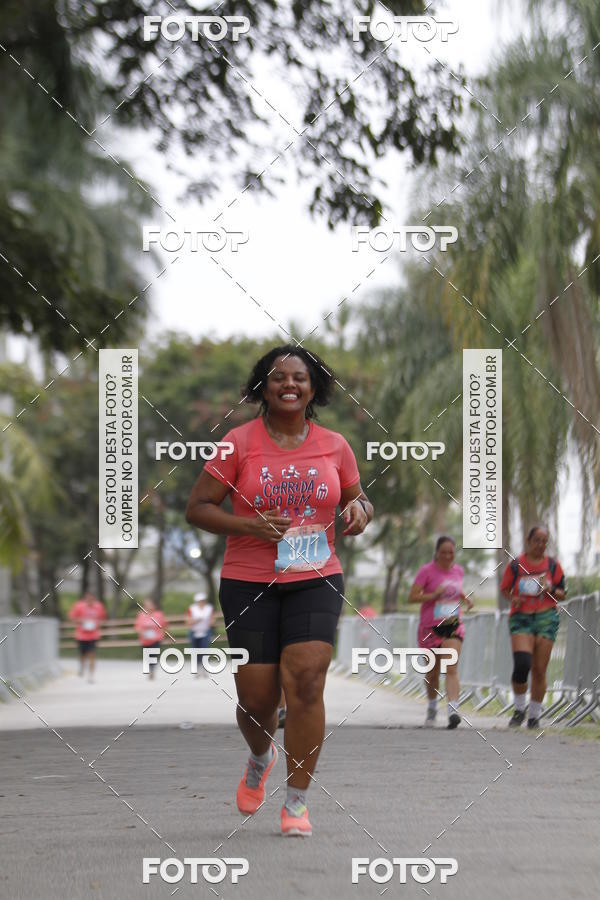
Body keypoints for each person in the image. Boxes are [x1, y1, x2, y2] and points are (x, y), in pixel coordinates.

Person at [185, 344, 373, 837]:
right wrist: (249, 524)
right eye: (278, 378)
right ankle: (259, 755)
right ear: (262, 387)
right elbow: (198, 508)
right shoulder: (236, 443)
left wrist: (360, 512)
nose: (289, 384)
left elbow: (357, 498)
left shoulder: (335, 445)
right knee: (256, 700)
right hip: (249, 580)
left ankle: (296, 802)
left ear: (314, 388)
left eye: (300, 378)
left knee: (308, 681)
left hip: (316, 575)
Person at [500, 525, 567, 729]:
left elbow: (563, 593)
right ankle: (520, 709)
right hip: (521, 618)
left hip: (546, 617)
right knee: (522, 664)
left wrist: (551, 589)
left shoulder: (553, 566)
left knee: (539, 669)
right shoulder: (515, 565)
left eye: (544, 541)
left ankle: (534, 716)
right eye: (537, 540)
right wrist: (514, 598)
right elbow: (505, 590)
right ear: (529, 541)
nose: (541, 544)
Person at [408, 537, 473, 729]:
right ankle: (432, 706)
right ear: (436, 552)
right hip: (430, 627)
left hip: (452, 624)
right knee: (433, 671)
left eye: (451, 552)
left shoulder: (458, 570)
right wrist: (434, 595)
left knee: (451, 666)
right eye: (443, 552)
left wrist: (466, 598)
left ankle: (453, 710)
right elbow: (412, 597)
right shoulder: (426, 571)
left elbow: (456, 590)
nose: (447, 556)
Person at [68, 592, 107, 683]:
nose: (90, 601)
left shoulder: (99, 606)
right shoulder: (79, 606)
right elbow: (72, 617)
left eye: (92, 599)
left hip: (93, 635)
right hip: (81, 635)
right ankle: (82, 666)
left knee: (92, 654)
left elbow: (103, 618)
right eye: (88, 599)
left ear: (94, 599)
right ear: (85, 599)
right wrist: (80, 621)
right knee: (82, 654)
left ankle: (91, 675)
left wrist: (98, 623)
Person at [134, 599, 167, 680]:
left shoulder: (159, 614)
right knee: (146, 656)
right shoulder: (141, 615)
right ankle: (149, 669)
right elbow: (137, 626)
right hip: (145, 639)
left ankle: (152, 671)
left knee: (154, 655)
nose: (148, 607)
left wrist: (162, 634)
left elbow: (164, 625)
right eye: (146, 605)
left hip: (156, 639)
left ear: (154, 606)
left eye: (150, 605)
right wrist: (142, 633)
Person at [185, 591, 216, 675]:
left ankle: (204, 668)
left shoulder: (209, 608)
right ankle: (197, 668)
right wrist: (197, 620)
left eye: (203, 600)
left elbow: (213, 619)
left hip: (205, 631)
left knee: (205, 649)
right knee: (195, 650)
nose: (202, 602)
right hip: (194, 631)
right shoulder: (192, 608)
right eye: (200, 600)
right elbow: (188, 622)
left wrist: (211, 622)